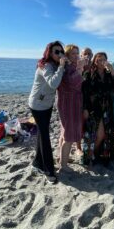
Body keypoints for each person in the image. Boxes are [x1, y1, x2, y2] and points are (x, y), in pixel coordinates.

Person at [28, 41, 67, 184]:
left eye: (61, 52)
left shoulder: (56, 65)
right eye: (56, 52)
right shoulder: (45, 65)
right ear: (49, 52)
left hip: (47, 105)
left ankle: (37, 163)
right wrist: (62, 66)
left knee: (41, 133)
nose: (59, 54)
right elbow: (53, 83)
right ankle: (48, 170)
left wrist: (67, 64)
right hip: (37, 105)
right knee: (45, 136)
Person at [82, 52, 114, 166]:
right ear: (94, 61)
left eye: (103, 59)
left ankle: (96, 154)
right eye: (98, 60)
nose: (101, 62)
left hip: (107, 108)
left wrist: (113, 71)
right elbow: (84, 93)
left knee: (105, 134)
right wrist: (84, 109)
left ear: (107, 61)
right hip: (93, 108)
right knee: (93, 134)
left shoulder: (109, 75)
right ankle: (89, 155)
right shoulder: (88, 74)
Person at [56, 44, 85, 172]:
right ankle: (63, 166)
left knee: (65, 132)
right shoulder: (67, 67)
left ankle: (62, 158)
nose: (76, 55)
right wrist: (80, 69)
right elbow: (72, 83)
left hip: (74, 102)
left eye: (77, 53)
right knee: (68, 134)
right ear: (67, 55)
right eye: (73, 53)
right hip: (68, 103)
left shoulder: (72, 65)